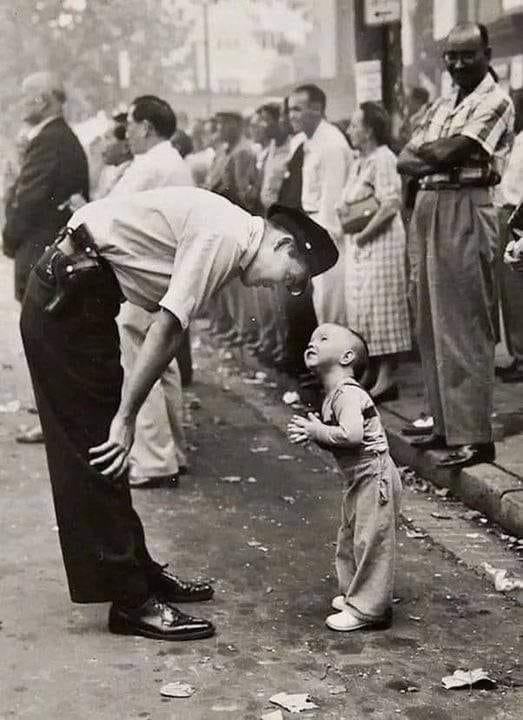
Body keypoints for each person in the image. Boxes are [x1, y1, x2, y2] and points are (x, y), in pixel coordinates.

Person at [20, 186, 338, 641]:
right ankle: (130, 601)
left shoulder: (231, 233)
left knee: (105, 451)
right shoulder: (225, 238)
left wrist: (125, 414)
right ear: (284, 245)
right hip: (65, 303)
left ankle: (137, 570)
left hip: (82, 297)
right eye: (291, 278)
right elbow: (166, 329)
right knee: (97, 450)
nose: (278, 290)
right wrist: (128, 417)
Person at [398, 23, 515, 468]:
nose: (458, 64)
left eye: (468, 55)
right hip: (430, 206)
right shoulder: (445, 101)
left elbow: (453, 151)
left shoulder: (495, 99)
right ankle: (446, 426)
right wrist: (427, 155)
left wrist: (426, 155)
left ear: (486, 54)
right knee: (430, 318)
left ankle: (474, 435)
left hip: (466, 203)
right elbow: (405, 155)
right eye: (451, 56)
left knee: (464, 320)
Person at [287, 324, 401, 632]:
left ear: (347, 356)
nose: (312, 342)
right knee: (351, 535)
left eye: (323, 339)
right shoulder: (334, 394)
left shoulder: (348, 393)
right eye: (311, 338)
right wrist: (315, 434)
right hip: (360, 477)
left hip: (374, 475)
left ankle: (369, 609)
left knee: (370, 540)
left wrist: (317, 431)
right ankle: (356, 594)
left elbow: (352, 436)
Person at [110, 95, 194, 489]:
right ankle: (173, 450)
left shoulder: (150, 164)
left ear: (146, 126)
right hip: (169, 269)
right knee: (164, 361)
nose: (126, 131)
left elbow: (112, 210)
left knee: (141, 359)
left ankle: (156, 460)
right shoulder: (170, 160)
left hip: (147, 271)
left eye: (129, 123)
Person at [2, 71, 89, 445]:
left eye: (26, 97)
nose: (22, 104)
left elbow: (28, 198)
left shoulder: (50, 141)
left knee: (45, 338)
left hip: (40, 251)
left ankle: (54, 421)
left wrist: (8, 239)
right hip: (51, 249)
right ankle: (58, 417)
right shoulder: (60, 139)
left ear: (42, 100)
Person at [340, 103, 411, 401]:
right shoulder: (360, 160)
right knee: (363, 308)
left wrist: (364, 235)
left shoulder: (383, 158)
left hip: (380, 242)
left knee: (383, 307)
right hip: (360, 242)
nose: (350, 130)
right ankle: (369, 370)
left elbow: (390, 203)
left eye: (355, 125)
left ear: (369, 130)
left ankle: (387, 377)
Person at [288, 83, 353, 325]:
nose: (290, 116)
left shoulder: (332, 143)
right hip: (312, 224)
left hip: (328, 231)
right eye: (289, 110)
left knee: (331, 301)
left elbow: (332, 195)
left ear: (316, 109)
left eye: (296, 109)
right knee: (320, 301)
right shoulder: (308, 141)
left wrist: (324, 240)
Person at [205, 111, 259, 346]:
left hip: (238, 218)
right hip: (224, 219)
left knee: (240, 283)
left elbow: (241, 190)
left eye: (225, 124)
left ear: (237, 125)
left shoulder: (243, 151)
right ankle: (237, 327)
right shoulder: (226, 151)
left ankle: (245, 329)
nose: (221, 129)